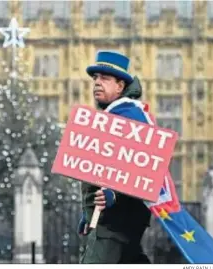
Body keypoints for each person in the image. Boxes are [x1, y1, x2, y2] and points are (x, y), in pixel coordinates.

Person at [78, 51, 152, 264]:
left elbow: (145, 166)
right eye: (95, 78)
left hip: (117, 219)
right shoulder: (111, 116)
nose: (97, 83)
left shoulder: (130, 116)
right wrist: (88, 211)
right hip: (110, 219)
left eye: (105, 78)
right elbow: (101, 170)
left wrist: (115, 195)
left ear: (120, 86)